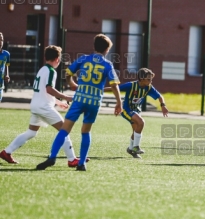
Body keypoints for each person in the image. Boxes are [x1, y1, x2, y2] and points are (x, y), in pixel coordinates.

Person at [36, 34, 122, 171]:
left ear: (94, 46)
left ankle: (52, 157)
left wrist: (72, 83)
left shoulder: (83, 59)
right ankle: (81, 163)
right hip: (94, 102)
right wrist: (119, 103)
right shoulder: (107, 64)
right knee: (85, 132)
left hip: (79, 98)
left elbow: (68, 73)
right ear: (107, 50)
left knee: (64, 129)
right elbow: (114, 85)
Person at [0, 45, 83, 167]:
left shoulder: (42, 69)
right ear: (56, 59)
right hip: (44, 107)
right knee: (64, 129)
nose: (59, 61)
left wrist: (59, 102)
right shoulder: (50, 71)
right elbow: (49, 89)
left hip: (36, 105)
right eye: (59, 58)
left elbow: (43, 91)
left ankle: (6, 152)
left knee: (31, 132)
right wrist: (66, 97)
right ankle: (72, 159)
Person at [105, 68, 169, 159]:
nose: (151, 81)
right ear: (141, 79)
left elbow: (160, 96)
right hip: (127, 110)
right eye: (148, 79)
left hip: (137, 110)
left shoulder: (149, 87)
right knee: (141, 122)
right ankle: (136, 147)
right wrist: (99, 90)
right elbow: (115, 88)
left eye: (151, 79)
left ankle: (131, 149)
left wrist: (163, 105)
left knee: (136, 130)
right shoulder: (131, 85)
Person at [0, 32, 10, 102]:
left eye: (1, 40)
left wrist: (7, 75)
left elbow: (6, 65)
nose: (0, 42)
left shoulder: (6, 54)